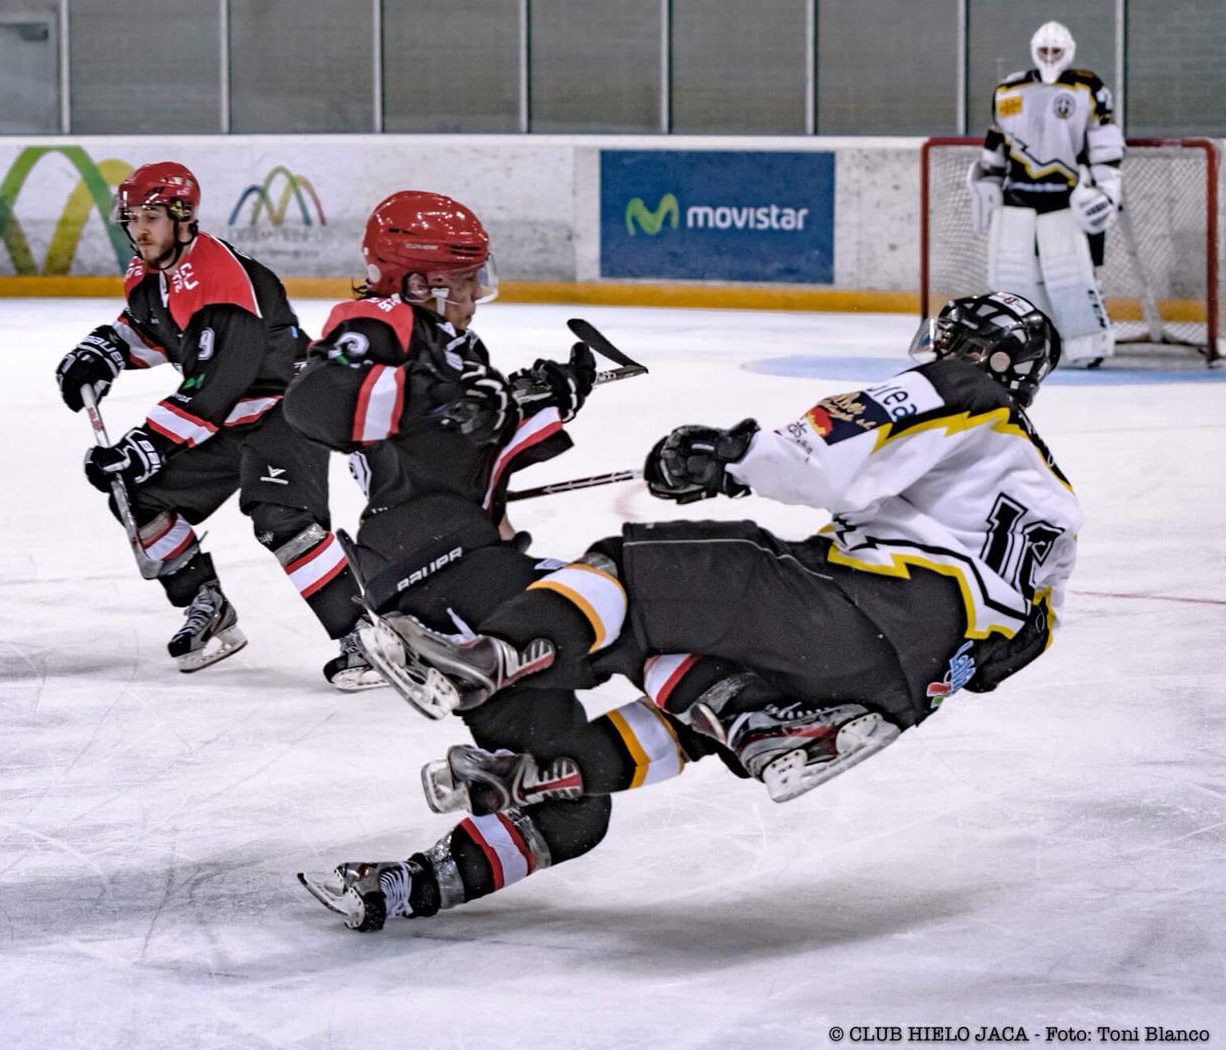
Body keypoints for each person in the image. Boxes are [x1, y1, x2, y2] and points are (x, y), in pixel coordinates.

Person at [346, 292, 1081, 921]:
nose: (938, 352)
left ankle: (484, 661)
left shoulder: (963, 388)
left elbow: (830, 447)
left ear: (972, 355)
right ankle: (550, 775)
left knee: (630, 568)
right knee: (690, 688)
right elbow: (1012, 653)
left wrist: (730, 457)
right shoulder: (1055, 503)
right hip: (896, 692)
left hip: (863, 613)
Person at [282, 190, 655, 932]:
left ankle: (401, 883)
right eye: (462, 281)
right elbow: (315, 402)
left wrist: (546, 397)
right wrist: (443, 397)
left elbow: (467, 443)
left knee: (575, 813)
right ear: (418, 281)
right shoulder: (376, 321)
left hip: (462, 555)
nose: (475, 297)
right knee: (623, 617)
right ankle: (461, 659)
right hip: (431, 563)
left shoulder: (455, 350)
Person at [54, 161, 376, 687]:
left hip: (287, 407)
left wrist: (145, 444)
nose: (139, 230)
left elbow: (215, 388)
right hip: (230, 416)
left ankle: (363, 636)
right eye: (132, 218)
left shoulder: (221, 280)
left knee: (281, 516)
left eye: (152, 217)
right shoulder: (148, 271)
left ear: (183, 218)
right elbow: (152, 329)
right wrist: (105, 351)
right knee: (135, 494)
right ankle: (207, 604)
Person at [967, 21, 1124, 368]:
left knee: (1075, 276)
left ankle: (1086, 342)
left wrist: (1108, 189)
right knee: (1013, 277)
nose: (1050, 57)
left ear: (1068, 51)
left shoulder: (1088, 87)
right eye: (1044, 51)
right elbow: (996, 144)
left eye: (1056, 51)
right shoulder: (1010, 90)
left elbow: (1104, 143)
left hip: (1069, 198)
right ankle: (1023, 342)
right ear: (1033, 51)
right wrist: (987, 181)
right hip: (1018, 197)